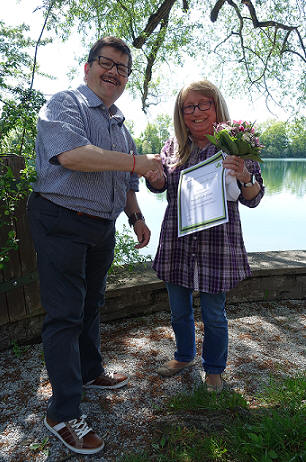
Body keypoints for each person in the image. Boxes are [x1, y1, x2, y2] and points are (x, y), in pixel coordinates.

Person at [27, 36, 163, 455]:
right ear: (87, 67)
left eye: (122, 69)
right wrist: (136, 162)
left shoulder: (120, 123)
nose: (115, 73)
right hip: (61, 221)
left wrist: (136, 216)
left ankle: (89, 371)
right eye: (107, 63)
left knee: (91, 304)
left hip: (101, 229)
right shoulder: (64, 104)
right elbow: (72, 156)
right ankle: (62, 412)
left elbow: (126, 180)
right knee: (65, 315)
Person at [145, 80, 264, 392]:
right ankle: (184, 356)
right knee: (178, 310)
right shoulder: (172, 148)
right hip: (177, 242)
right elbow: (162, 187)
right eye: (189, 107)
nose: (196, 112)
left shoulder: (236, 145)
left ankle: (214, 369)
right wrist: (154, 179)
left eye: (203, 104)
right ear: (181, 114)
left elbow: (252, 197)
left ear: (216, 107)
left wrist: (245, 175)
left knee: (213, 314)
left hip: (217, 245)